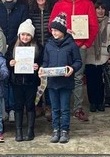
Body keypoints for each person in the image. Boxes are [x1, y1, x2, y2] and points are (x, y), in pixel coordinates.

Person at [49, 0, 98, 121]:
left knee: (77, 78)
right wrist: (63, 31)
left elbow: (94, 26)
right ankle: (60, 109)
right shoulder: (58, 5)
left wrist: (86, 43)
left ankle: (77, 109)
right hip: (62, 47)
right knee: (60, 76)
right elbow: (51, 24)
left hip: (79, 47)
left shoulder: (88, 4)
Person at [39, 12, 82, 144]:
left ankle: (64, 130)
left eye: (57, 30)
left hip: (66, 82)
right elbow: (46, 62)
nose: (54, 33)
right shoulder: (49, 45)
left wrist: (72, 68)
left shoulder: (71, 44)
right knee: (55, 108)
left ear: (63, 31)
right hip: (52, 82)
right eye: (52, 30)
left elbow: (78, 61)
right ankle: (55, 130)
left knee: (64, 107)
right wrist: (42, 69)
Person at [0, 0, 29, 122]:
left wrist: (14, 44)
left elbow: (23, 28)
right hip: (1, 48)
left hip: (17, 49)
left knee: (14, 80)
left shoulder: (22, 8)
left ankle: (14, 108)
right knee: (3, 79)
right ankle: (5, 109)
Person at [6, 19, 43, 142]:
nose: (25, 37)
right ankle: (18, 131)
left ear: (32, 36)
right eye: (23, 34)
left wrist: (37, 66)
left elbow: (42, 61)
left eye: (28, 35)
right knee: (18, 106)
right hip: (16, 82)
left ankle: (30, 131)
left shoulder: (38, 47)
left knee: (30, 105)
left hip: (31, 82)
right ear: (19, 35)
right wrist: (10, 63)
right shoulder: (13, 46)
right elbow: (7, 60)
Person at [85, 2, 110, 112]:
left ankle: (100, 102)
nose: (100, 10)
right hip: (89, 54)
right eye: (97, 8)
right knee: (90, 81)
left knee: (101, 82)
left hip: (104, 55)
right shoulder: (87, 21)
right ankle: (92, 103)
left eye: (103, 8)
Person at [29, 0, 54, 120]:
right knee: (37, 78)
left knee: (48, 78)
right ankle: (38, 105)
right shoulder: (31, 13)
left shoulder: (52, 11)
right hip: (36, 49)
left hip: (49, 48)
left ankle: (49, 106)